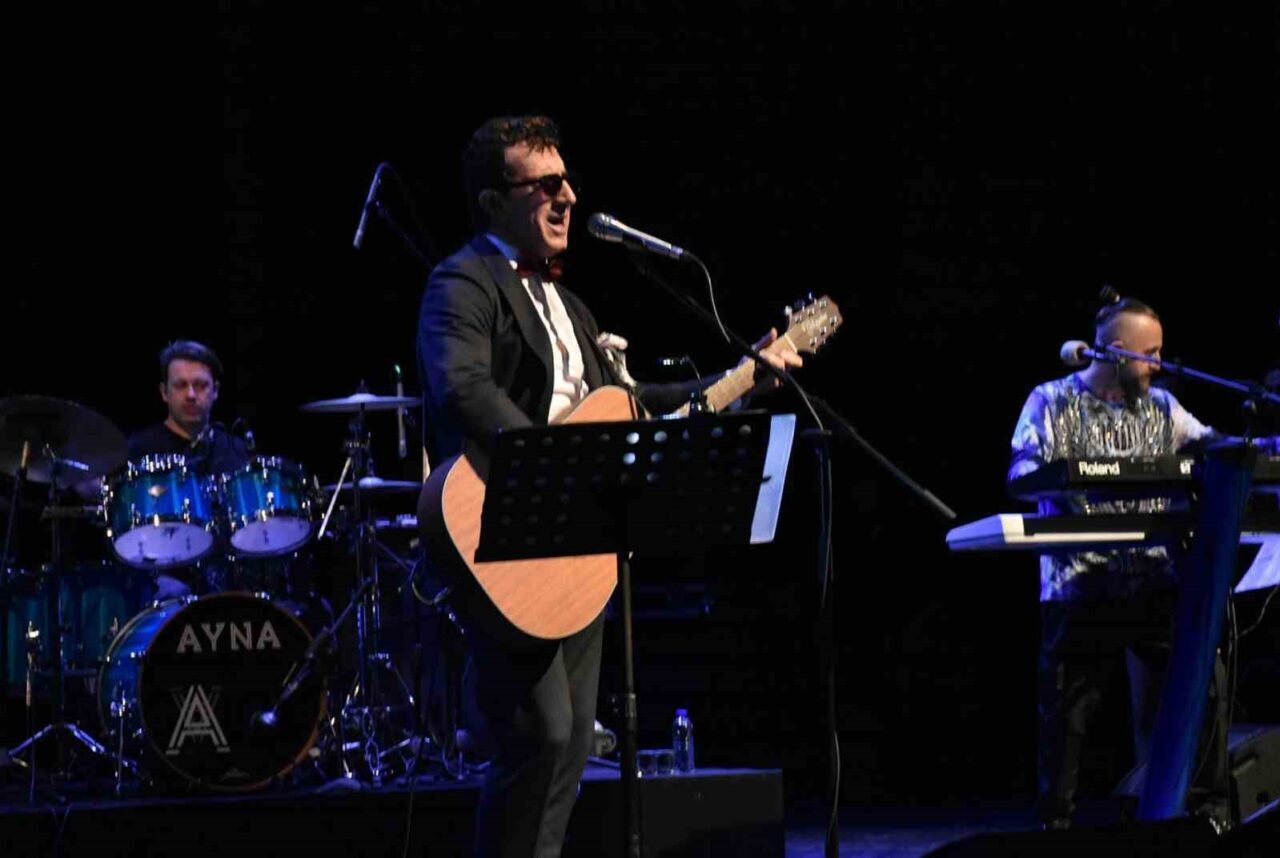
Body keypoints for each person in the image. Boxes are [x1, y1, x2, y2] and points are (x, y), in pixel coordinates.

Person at [416, 115, 800, 857]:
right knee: (541, 732)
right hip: (505, 528)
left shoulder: (573, 306)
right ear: (494, 201)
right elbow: (462, 387)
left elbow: (631, 405)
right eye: (545, 185)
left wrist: (744, 377)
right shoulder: (462, 281)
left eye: (567, 182)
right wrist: (553, 469)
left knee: (570, 746)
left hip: (580, 539)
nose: (567, 198)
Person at [1008, 291, 1231, 830]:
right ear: (1110, 352)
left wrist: (1261, 449)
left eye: (1160, 353)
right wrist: (1076, 487)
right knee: (1068, 719)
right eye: (1148, 354)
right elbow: (1022, 474)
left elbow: (1215, 447)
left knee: (1195, 690)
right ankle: (1056, 825)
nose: (1159, 364)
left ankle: (1196, 816)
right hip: (1080, 586)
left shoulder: (1163, 408)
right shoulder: (1050, 401)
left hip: (1153, 581)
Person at [127, 340, 250, 600]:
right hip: (161, 587)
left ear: (215, 391)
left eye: (201, 385)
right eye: (181, 385)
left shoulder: (236, 451)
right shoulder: (136, 451)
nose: (191, 394)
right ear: (164, 392)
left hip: (233, 583)